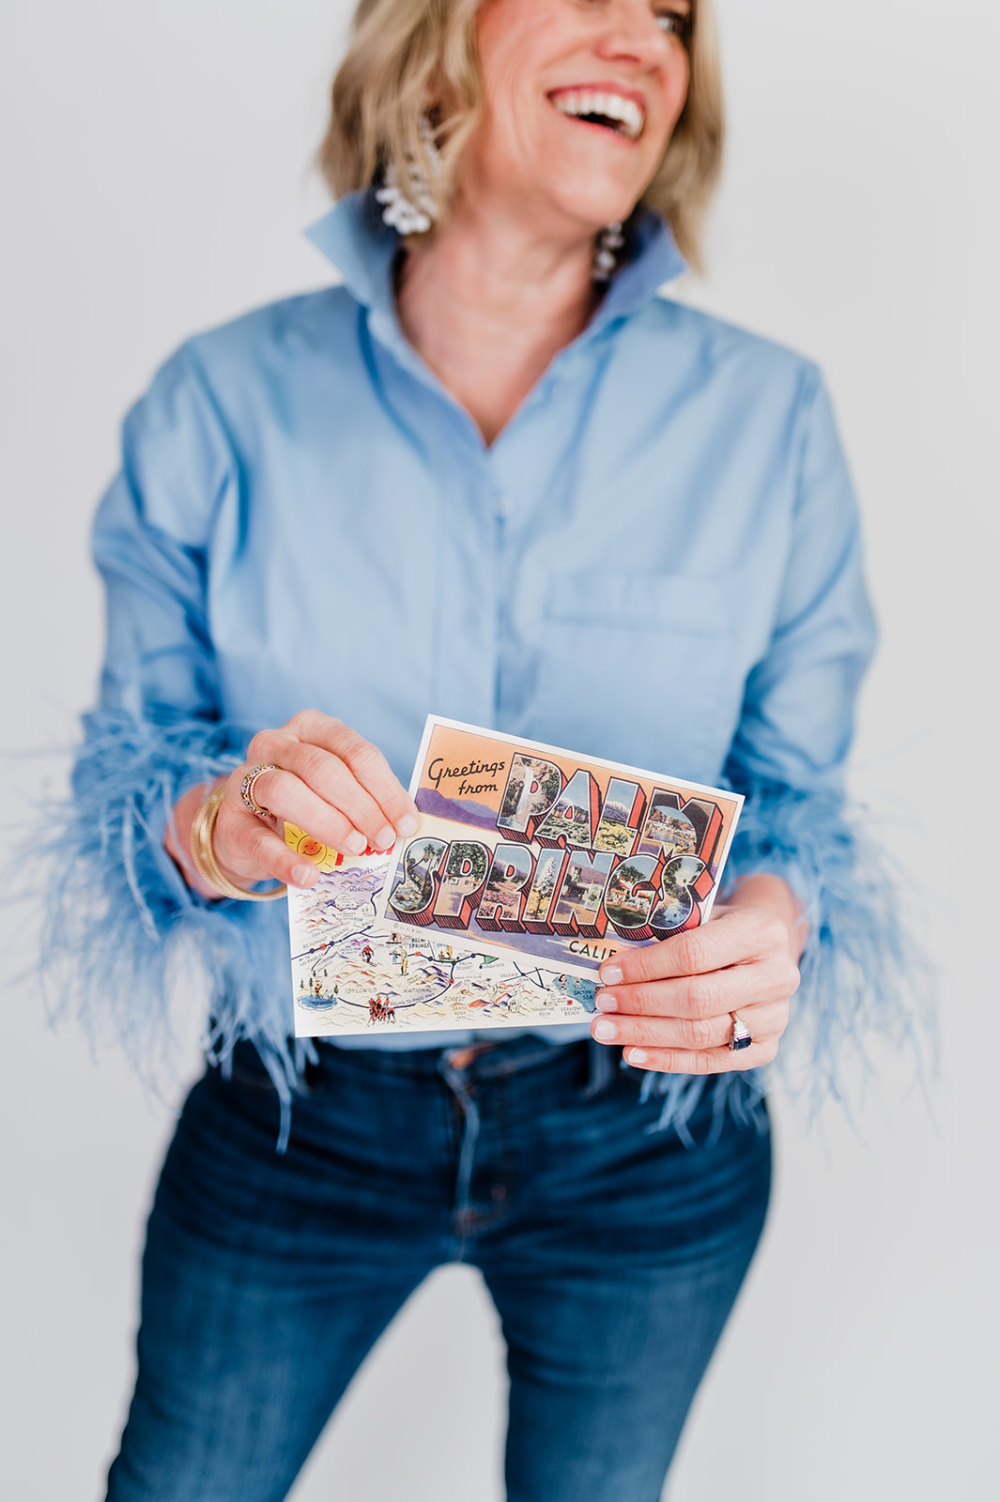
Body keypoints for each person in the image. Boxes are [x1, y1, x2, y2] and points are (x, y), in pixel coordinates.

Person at [48, 0, 913, 1497]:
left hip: (644, 1142)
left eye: (674, 15)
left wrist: (776, 920)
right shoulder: (218, 403)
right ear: (436, 41)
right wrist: (218, 826)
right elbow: (127, 789)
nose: (646, 37)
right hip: (297, 1117)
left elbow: (795, 808)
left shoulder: (769, 419)